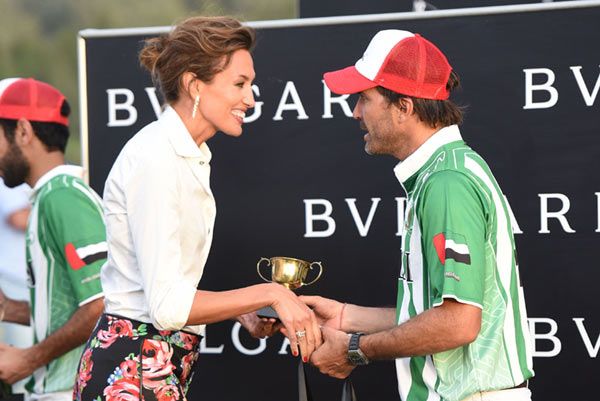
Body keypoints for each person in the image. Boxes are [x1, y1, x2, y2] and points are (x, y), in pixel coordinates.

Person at [73, 16, 321, 401]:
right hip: (132, 374)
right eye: (239, 84)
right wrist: (270, 294)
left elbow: (164, 285)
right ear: (194, 85)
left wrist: (242, 309)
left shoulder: (186, 155)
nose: (251, 99)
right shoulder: (157, 158)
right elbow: (166, 306)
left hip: (154, 366)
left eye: (250, 84)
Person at [303, 30, 534, 401]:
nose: (356, 112)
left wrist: (355, 348)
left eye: (364, 98)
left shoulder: (447, 182)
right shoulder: (444, 172)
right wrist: (347, 318)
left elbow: (458, 324)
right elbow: (437, 311)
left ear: (404, 107)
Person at [0, 78, 106, 401]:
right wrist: (8, 308)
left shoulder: (62, 198)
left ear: (23, 131)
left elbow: (102, 305)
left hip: (73, 388)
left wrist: (27, 358)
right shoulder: (49, 196)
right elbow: (71, 307)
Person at [0, 178, 34, 398]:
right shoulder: (9, 175)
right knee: (21, 373)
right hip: (13, 282)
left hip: (23, 284)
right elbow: (18, 217)